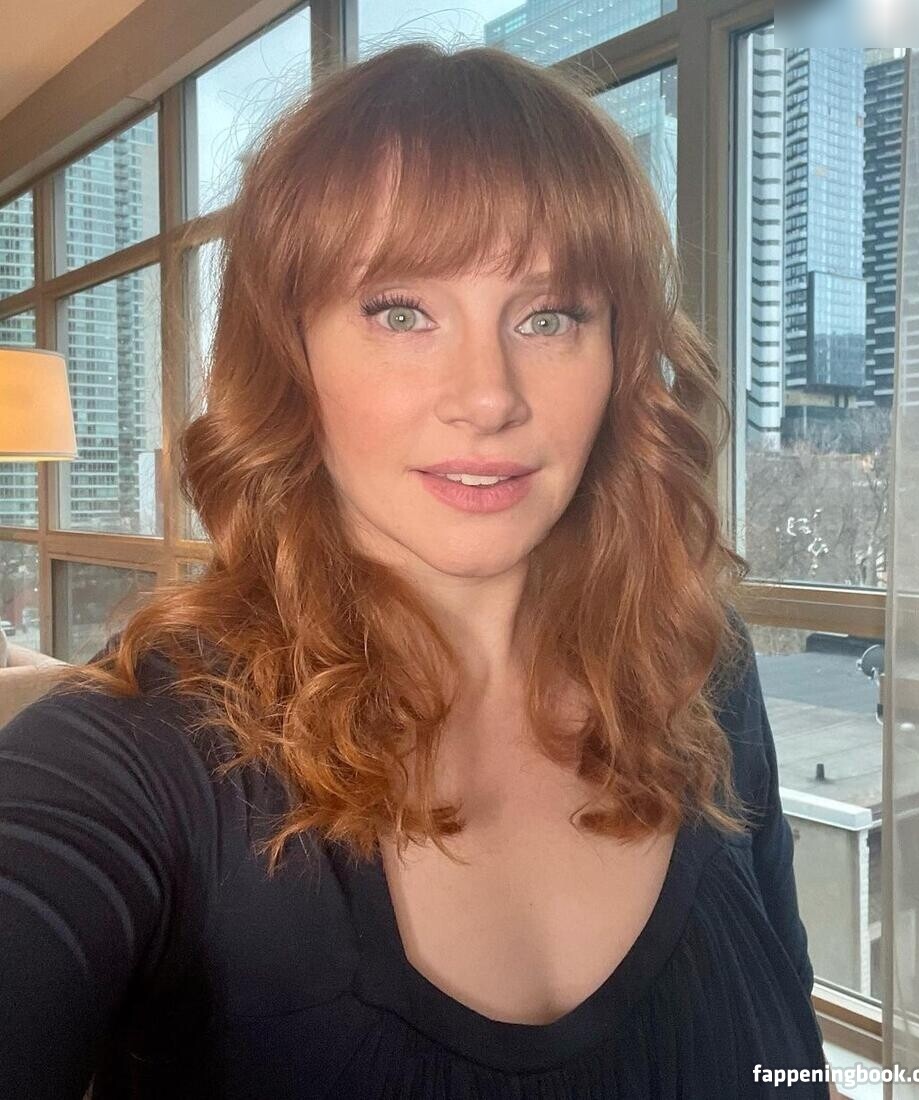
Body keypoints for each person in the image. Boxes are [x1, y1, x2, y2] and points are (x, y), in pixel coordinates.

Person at [0, 41, 837, 1099]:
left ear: (619, 359)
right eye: (400, 311)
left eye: (549, 315)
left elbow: (791, 1060)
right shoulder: (135, 754)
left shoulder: (698, 672)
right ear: (291, 355)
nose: (488, 396)